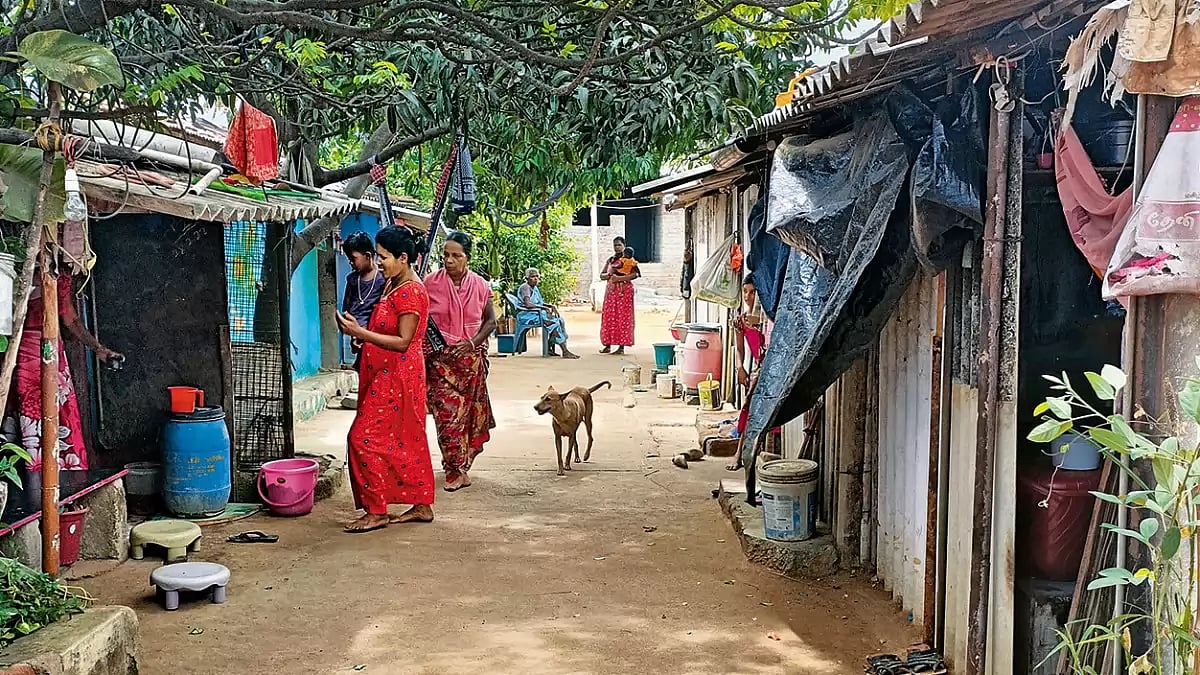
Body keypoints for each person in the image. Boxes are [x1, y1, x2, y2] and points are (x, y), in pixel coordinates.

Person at [335, 225, 435, 533]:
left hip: (397, 377)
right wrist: (364, 338)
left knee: (362, 439)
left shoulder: (411, 292)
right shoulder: (393, 283)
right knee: (406, 437)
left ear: (403, 258)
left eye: (384, 258)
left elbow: (404, 341)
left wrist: (360, 333)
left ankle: (376, 510)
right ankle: (421, 505)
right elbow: (387, 331)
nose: (380, 264)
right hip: (385, 372)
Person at [4, 264, 122, 471]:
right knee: (27, 419)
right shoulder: (9, 273)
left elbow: (71, 319)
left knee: (60, 417)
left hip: (52, 355)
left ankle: (66, 477)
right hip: (21, 357)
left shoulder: (59, 276)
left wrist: (99, 349)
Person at [424, 232, 497, 492]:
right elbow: (421, 321)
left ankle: (461, 466)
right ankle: (454, 469)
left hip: (471, 363)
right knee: (447, 417)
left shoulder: (480, 285)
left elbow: (491, 321)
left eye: (456, 255)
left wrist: (473, 342)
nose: (450, 260)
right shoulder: (428, 283)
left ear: (467, 257)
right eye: (446, 255)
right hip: (439, 362)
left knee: (468, 417)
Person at [340, 232, 385, 370]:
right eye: (349, 260)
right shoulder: (352, 279)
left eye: (354, 259)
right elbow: (346, 307)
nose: (351, 263)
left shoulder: (382, 279)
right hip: (353, 330)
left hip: (373, 332)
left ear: (368, 256)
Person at [516, 268, 579, 359]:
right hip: (527, 315)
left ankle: (549, 348)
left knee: (560, 320)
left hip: (536, 313)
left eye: (537, 276)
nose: (536, 279)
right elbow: (528, 304)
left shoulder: (535, 288)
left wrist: (550, 306)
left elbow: (538, 303)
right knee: (553, 323)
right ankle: (565, 351)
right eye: (533, 277)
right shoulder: (525, 287)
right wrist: (545, 308)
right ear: (527, 278)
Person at [599, 236, 639, 355]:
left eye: (619, 245)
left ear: (624, 246)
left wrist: (620, 278)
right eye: (615, 245)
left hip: (624, 291)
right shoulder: (611, 260)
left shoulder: (629, 259)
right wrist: (609, 276)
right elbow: (602, 275)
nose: (617, 247)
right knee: (609, 316)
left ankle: (621, 347)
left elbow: (635, 274)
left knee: (623, 318)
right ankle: (607, 344)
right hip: (611, 292)